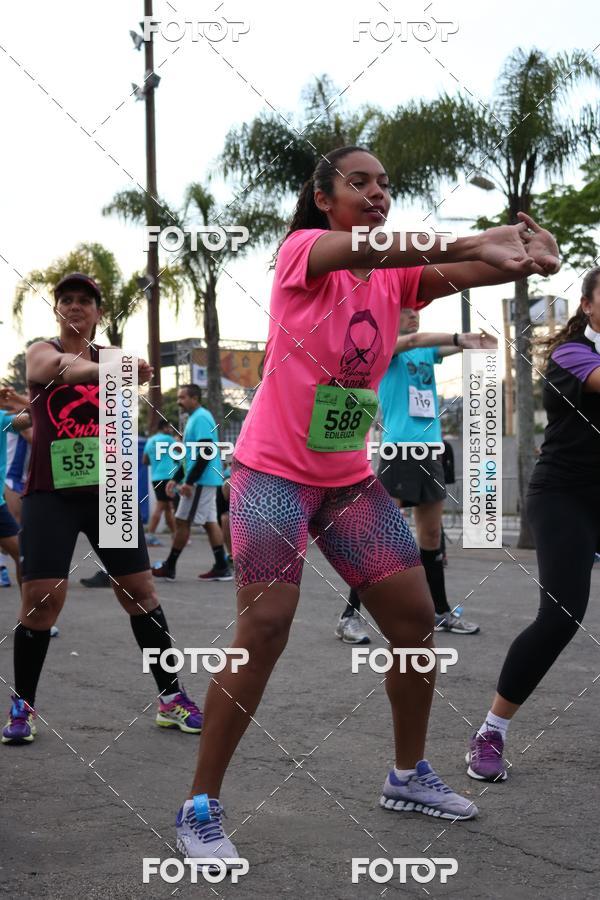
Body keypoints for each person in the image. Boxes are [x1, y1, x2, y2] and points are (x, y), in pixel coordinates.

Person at [172, 146, 559, 865]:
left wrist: (527, 258)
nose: (378, 193)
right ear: (324, 197)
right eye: (360, 183)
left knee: (413, 621)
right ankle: (199, 806)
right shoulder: (303, 252)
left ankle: (407, 775)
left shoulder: (393, 276)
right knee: (266, 625)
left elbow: (470, 268)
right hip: (272, 474)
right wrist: (479, 239)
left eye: (385, 184)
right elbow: (400, 248)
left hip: (346, 480)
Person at [2, 273, 202, 744]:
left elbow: (115, 417)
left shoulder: (114, 357)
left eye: (84, 301)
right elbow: (61, 371)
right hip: (50, 493)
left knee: (140, 592)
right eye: (66, 300)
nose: (75, 307)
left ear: (97, 312)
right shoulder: (41, 351)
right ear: (57, 310)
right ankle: (22, 706)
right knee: (41, 600)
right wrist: (113, 369)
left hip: (108, 493)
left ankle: (171, 697)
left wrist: (132, 372)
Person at [466, 266, 600, 782]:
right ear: (587, 305)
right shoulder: (571, 355)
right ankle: (491, 732)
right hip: (565, 496)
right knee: (561, 617)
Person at [338, 313, 497, 641]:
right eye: (407, 310)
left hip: (431, 450)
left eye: (418, 311)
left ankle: (440, 612)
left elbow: (443, 347)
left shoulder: (426, 350)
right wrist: (460, 337)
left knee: (431, 535)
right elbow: (414, 340)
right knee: (378, 535)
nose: (414, 315)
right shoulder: (388, 347)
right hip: (399, 450)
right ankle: (349, 616)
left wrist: (475, 344)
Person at [153, 384, 232, 582]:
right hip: (204, 479)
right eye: (178, 397)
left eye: (182, 397)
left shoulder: (201, 418)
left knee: (182, 520)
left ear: (195, 398)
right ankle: (221, 566)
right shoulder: (194, 419)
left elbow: (205, 452)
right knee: (209, 522)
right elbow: (190, 455)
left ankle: (170, 566)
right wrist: (176, 478)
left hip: (201, 480)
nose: (178, 401)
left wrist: (189, 482)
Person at [0, 387, 32, 584]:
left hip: (2, 502)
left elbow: (30, 421)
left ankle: (28, 608)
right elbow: (30, 435)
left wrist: (26, 404)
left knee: (23, 555)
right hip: (12, 482)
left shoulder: (3, 418)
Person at [143, 420, 179, 546]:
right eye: (169, 428)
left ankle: (175, 535)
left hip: (156, 477)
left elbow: (145, 461)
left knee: (168, 507)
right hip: (167, 477)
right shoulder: (168, 439)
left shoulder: (150, 441)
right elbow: (182, 452)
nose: (171, 430)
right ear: (164, 428)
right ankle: (150, 536)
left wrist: (157, 461)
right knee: (161, 505)